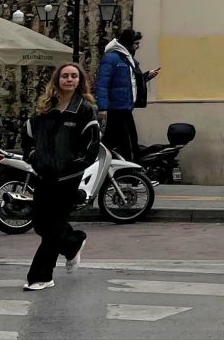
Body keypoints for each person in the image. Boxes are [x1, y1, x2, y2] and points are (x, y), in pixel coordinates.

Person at [23, 62, 97, 291]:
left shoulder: (84, 109)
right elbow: (28, 138)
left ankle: (41, 275)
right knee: (40, 223)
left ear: (79, 81)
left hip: (68, 177)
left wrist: (75, 165)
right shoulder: (44, 109)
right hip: (44, 173)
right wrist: (34, 158)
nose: (69, 79)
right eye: (65, 76)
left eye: (74, 76)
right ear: (57, 79)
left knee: (54, 226)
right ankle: (73, 242)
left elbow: (92, 145)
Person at [95, 29, 157, 161]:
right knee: (129, 143)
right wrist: (103, 108)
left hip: (123, 107)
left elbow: (131, 82)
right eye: (136, 43)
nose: (138, 46)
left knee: (112, 142)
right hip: (118, 109)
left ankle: (103, 165)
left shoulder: (126, 59)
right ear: (129, 43)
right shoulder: (113, 59)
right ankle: (130, 169)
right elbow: (102, 84)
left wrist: (147, 76)